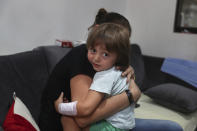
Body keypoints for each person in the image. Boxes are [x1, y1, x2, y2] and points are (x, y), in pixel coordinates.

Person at [39, 8, 183, 131]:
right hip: (73, 123)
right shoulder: (81, 58)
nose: (97, 57)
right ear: (97, 31)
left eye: (120, 45)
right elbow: (82, 119)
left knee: (172, 127)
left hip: (104, 120)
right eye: (94, 50)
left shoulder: (111, 64)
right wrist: (130, 95)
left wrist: (128, 71)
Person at [55, 23, 135, 131]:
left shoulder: (105, 76)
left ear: (119, 57)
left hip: (112, 127)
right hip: (124, 124)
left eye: (105, 54)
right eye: (93, 50)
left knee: (67, 119)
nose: (96, 58)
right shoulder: (118, 71)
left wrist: (60, 107)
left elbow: (85, 109)